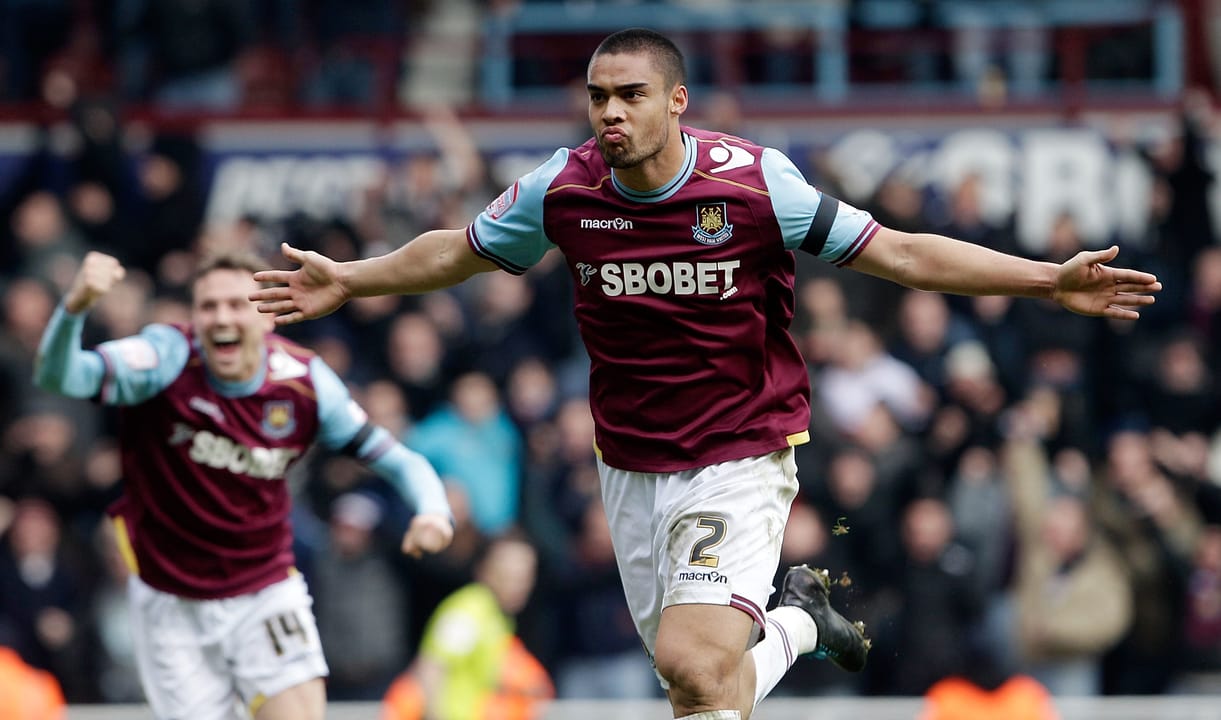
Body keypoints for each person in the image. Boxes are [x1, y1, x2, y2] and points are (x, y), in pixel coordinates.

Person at [250, 28, 1161, 720]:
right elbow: (460, 251)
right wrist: (353, 279)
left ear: (676, 101)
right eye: (598, 97)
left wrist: (1046, 279)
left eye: (631, 95)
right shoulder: (560, 193)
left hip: (741, 452)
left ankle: (793, 618)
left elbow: (905, 255)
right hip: (629, 464)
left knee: (693, 660)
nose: (609, 113)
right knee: (702, 691)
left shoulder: (757, 186)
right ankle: (801, 621)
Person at [33, 249, 455, 720]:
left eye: (237, 304)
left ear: (267, 317)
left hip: (264, 589)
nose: (221, 318)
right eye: (208, 306)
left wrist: (433, 510)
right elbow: (60, 375)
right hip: (171, 599)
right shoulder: (165, 358)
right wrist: (76, 306)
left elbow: (400, 460)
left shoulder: (304, 384)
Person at [381, 530, 553, 720]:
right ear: (485, 569)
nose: (518, 584)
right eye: (508, 575)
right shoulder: (468, 612)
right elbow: (431, 666)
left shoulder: (496, 617)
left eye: (524, 576)